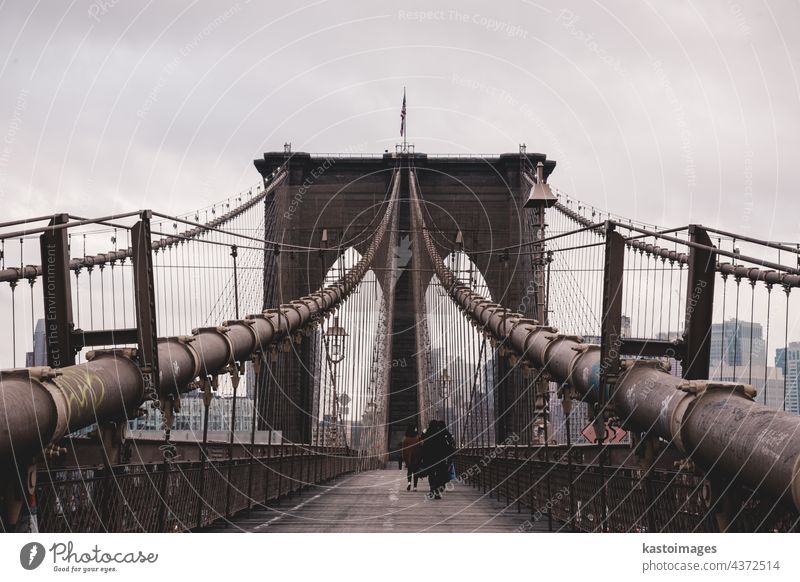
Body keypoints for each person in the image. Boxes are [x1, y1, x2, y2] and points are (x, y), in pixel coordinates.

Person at [420, 419, 455, 499]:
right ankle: (437, 491)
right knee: (440, 474)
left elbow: (422, 443)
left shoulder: (428, 433)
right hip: (440, 458)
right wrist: (449, 456)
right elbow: (448, 445)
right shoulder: (442, 433)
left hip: (429, 458)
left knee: (431, 474)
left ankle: (432, 489)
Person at [401, 424, 422, 491]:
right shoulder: (417, 438)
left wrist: (404, 459)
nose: (416, 429)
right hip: (416, 458)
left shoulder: (405, 438)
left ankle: (409, 483)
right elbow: (420, 448)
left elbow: (403, 449)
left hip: (408, 458)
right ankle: (415, 487)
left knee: (409, 472)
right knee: (415, 472)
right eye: (415, 428)